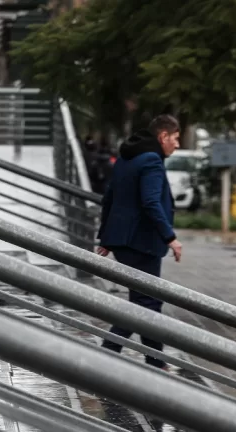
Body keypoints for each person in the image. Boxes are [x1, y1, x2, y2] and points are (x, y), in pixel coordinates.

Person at [96, 114, 183, 369]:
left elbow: (110, 196)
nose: (177, 145)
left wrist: (107, 236)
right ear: (163, 136)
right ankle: (116, 352)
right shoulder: (152, 160)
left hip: (125, 240)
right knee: (147, 302)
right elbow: (151, 202)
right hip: (141, 241)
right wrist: (171, 238)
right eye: (175, 139)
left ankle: (153, 359)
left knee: (144, 300)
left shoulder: (128, 156)